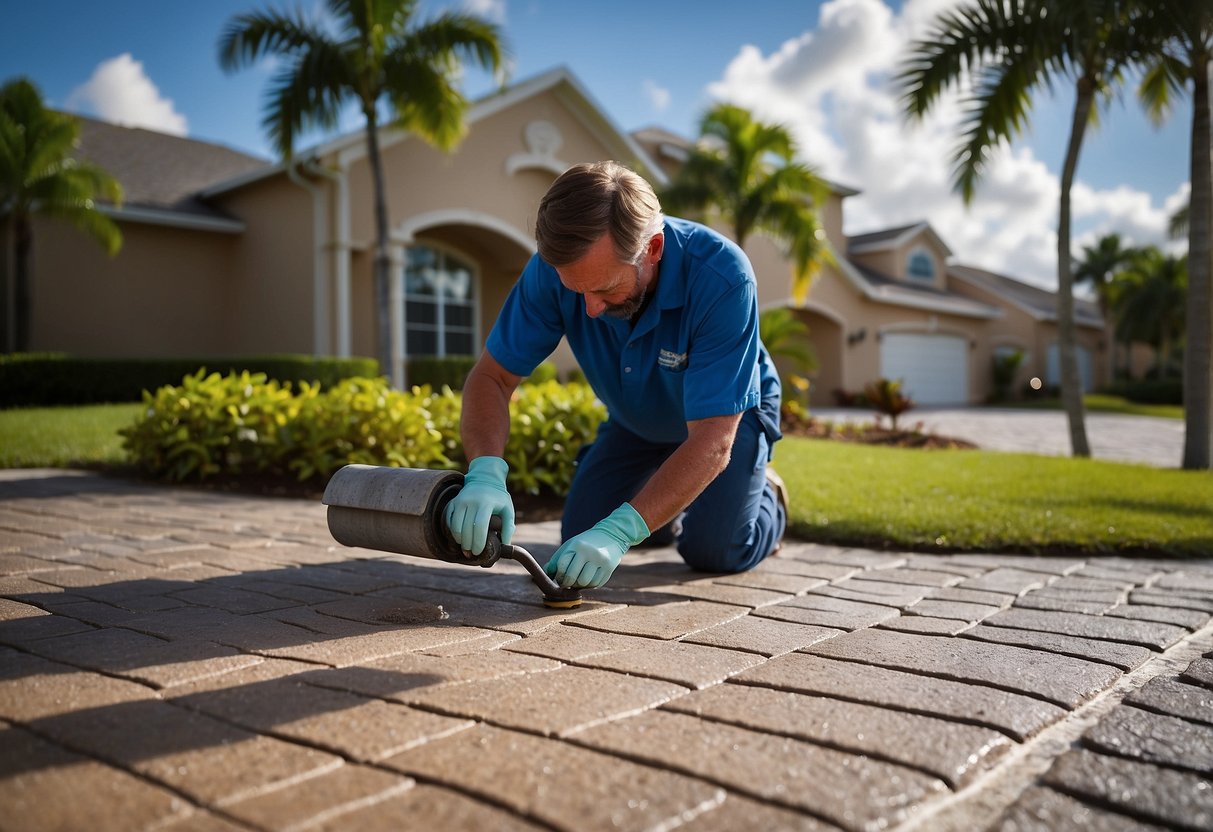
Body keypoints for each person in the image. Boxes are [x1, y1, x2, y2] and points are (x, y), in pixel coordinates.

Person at [444, 160, 786, 590]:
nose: (589, 310)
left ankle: (768, 498)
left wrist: (619, 533)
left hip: (727, 415)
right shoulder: (549, 271)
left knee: (714, 551)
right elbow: (491, 379)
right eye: (576, 290)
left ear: (654, 249)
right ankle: (673, 500)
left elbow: (714, 437)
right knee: (580, 535)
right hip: (636, 417)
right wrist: (485, 472)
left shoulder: (723, 276)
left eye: (605, 288)